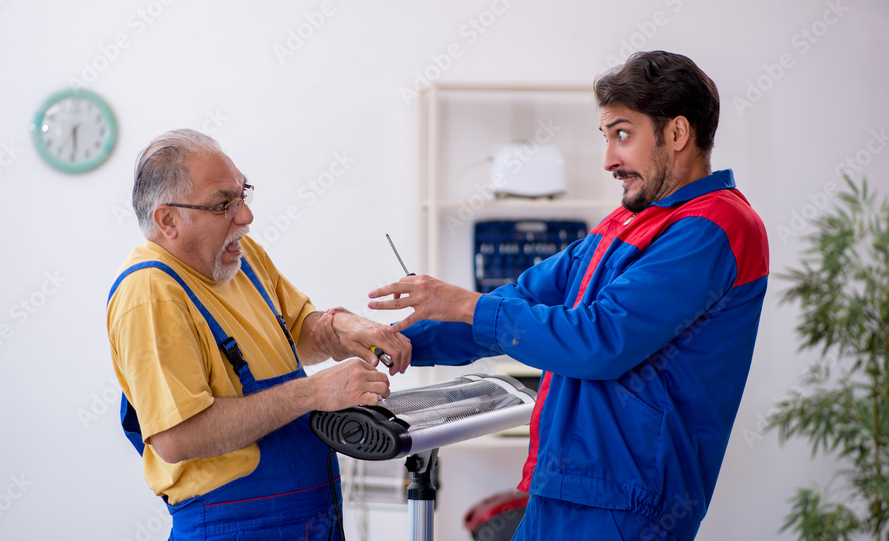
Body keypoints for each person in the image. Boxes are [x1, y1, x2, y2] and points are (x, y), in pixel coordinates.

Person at [368, 51, 769, 541]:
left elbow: (601, 340)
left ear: (677, 133)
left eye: (622, 134)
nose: (608, 160)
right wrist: (392, 341)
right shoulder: (626, 223)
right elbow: (520, 299)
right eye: (606, 138)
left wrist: (467, 304)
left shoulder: (718, 227)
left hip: (629, 502)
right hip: (564, 485)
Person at [107, 129, 411, 541]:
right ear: (167, 220)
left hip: (316, 512)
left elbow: (298, 330)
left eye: (243, 194)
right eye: (223, 204)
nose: (245, 216)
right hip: (233, 526)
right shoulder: (150, 294)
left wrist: (338, 326)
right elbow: (177, 437)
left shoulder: (240, 259)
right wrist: (314, 393)